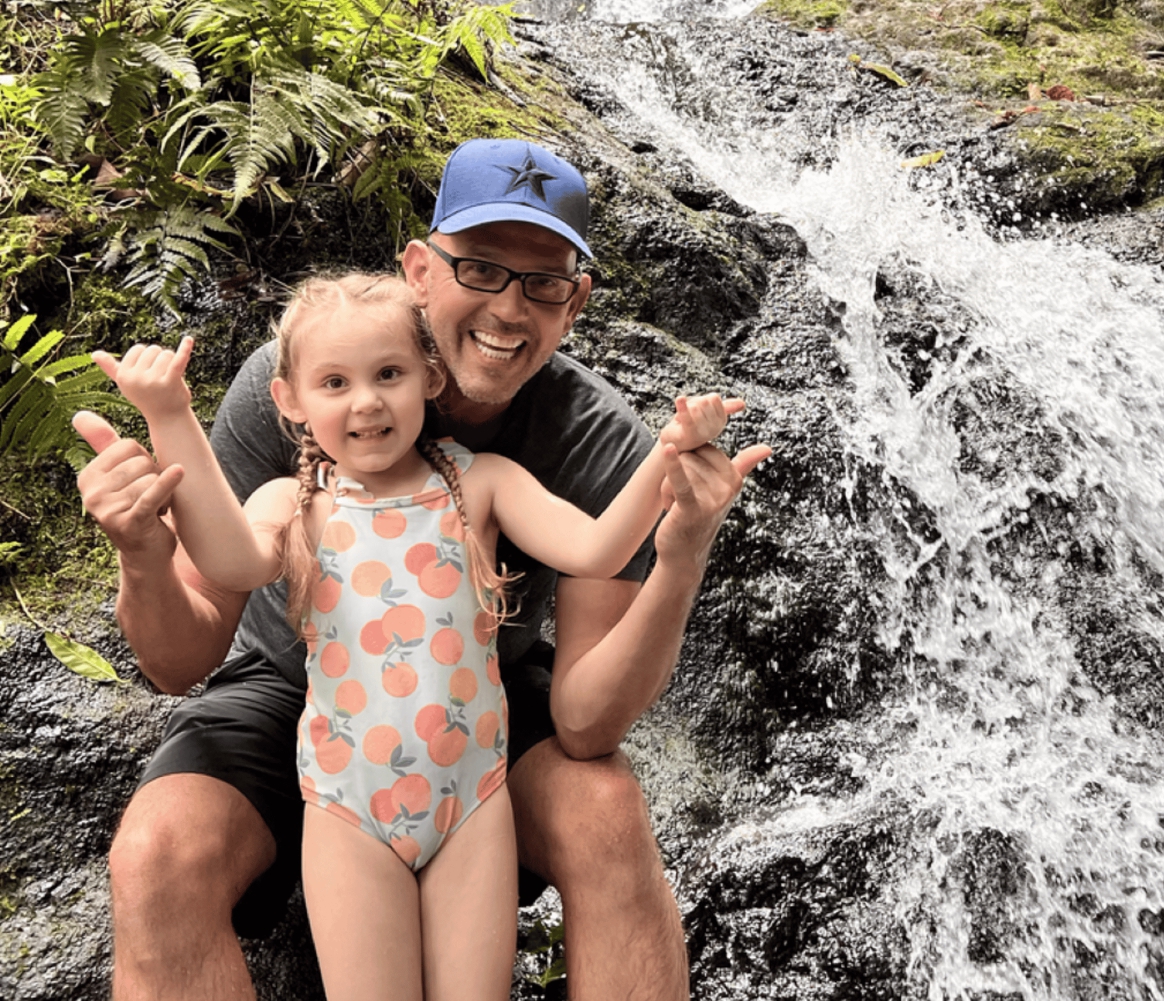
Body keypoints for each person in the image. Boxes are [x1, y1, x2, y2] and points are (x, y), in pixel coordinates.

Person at [74, 138, 771, 1000]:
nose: (509, 310)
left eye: (543, 281)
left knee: (605, 813)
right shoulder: (300, 381)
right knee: (156, 851)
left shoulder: (582, 442)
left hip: (475, 715)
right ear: (419, 268)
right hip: (292, 693)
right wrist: (143, 549)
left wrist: (685, 547)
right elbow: (181, 657)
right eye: (479, 268)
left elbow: (587, 724)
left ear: (576, 302)